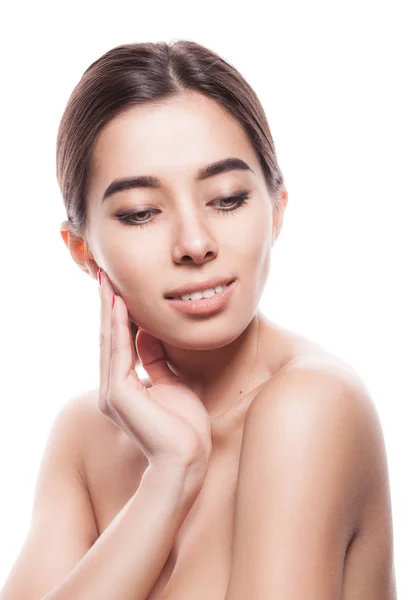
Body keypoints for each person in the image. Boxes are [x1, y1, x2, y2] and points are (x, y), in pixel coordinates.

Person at [0, 39, 397, 600]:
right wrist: (170, 475)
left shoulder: (310, 406)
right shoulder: (85, 437)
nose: (194, 243)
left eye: (228, 198)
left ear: (277, 207)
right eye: (141, 212)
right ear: (82, 250)